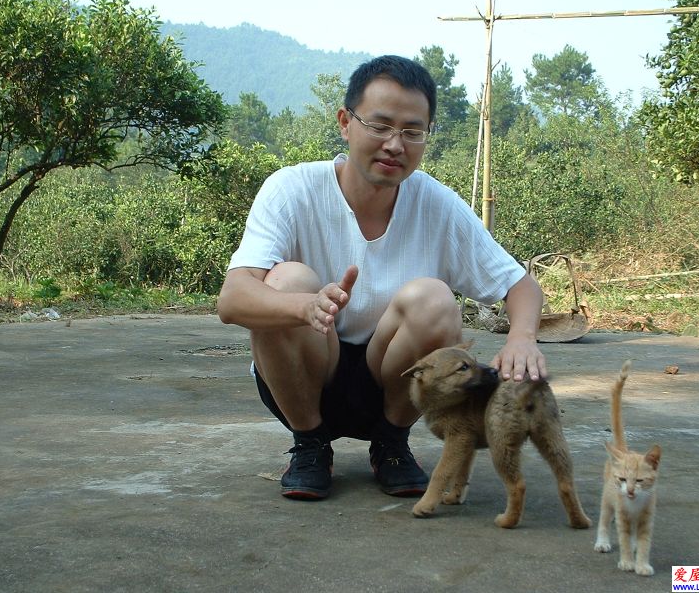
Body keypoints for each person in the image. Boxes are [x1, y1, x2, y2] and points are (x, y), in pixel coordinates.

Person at [217, 55, 547, 501]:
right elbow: (233, 299)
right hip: (305, 375)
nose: (395, 144)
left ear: (427, 135)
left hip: (393, 380)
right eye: (380, 126)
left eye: (412, 131)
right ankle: (309, 444)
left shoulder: (436, 204)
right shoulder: (291, 190)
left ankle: (391, 444)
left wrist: (522, 339)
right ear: (345, 123)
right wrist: (304, 306)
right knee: (286, 281)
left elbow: (519, 285)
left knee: (434, 299)